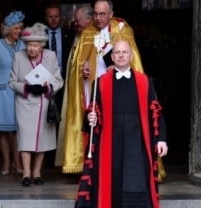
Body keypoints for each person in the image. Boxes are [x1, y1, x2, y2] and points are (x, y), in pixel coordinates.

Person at [75, 40, 168, 208]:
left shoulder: (145, 81)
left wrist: (161, 139)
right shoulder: (100, 82)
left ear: (131, 56)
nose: (121, 55)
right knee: (113, 180)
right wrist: (92, 119)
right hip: (111, 141)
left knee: (137, 180)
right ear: (112, 57)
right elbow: (92, 113)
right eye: (117, 52)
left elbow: (156, 112)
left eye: (125, 52)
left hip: (137, 140)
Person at [62, 0, 145, 174]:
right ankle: (93, 165)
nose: (98, 18)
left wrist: (118, 67)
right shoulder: (88, 32)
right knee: (94, 124)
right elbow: (79, 62)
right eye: (96, 14)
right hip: (94, 88)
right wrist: (83, 69)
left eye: (102, 14)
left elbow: (133, 60)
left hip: (117, 87)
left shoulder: (122, 30)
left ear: (111, 14)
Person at [9, 22, 64, 186]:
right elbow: (12, 82)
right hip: (25, 104)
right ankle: (26, 173)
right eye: (29, 45)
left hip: (44, 103)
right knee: (25, 138)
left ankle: (37, 172)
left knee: (42, 140)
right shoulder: (18, 56)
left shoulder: (51, 56)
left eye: (35, 45)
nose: (31, 49)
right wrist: (26, 87)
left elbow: (59, 80)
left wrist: (49, 88)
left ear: (41, 45)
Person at [0, 11, 25, 175]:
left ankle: (17, 162)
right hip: (1, 92)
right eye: (16, 28)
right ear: (8, 29)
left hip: (18, 93)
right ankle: (6, 162)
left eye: (20, 28)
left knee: (17, 130)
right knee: (2, 130)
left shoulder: (23, 45)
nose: (19, 31)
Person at [55, 4, 94, 171]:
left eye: (77, 20)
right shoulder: (79, 34)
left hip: (87, 91)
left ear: (89, 19)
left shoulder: (93, 36)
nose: (74, 23)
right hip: (74, 90)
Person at [43, 3, 75, 168]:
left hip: (66, 82)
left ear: (61, 17)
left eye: (56, 16)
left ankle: (61, 157)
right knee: (46, 120)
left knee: (62, 118)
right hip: (45, 82)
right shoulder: (40, 36)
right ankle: (47, 158)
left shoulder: (70, 35)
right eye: (50, 16)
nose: (54, 20)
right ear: (45, 17)